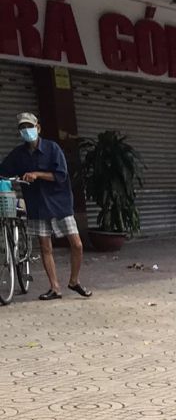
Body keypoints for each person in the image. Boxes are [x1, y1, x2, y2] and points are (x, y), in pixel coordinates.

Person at [0, 113, 90, 301]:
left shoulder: (52, 148)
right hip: (37, 205)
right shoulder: (18, 154)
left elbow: (61, 175)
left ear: (38, 128)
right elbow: (3, 170)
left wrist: (37, 174)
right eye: (22, 128)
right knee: (45, 247)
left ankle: (74, 281)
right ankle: (55, 288)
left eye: (29, 126)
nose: (26, 131)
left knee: (77, 244)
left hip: (60, 203)